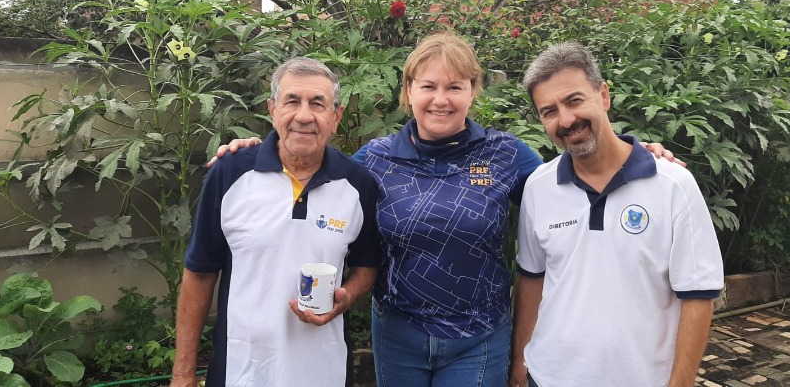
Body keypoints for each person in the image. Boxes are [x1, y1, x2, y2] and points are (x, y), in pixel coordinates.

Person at [210, 33, 683, 387]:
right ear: (408, 91)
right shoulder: (374, 160)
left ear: (473, 92)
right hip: (398, 332)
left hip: (479, 337)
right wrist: (255, 149)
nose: (440, 99)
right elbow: (315, 177)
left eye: (455, 87)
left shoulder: (506, 155)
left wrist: (634, 154)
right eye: (428, 86)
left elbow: (570, 185)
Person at [509, 42, 724, 387]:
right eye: (549, 111)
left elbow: (698, 296)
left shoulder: (673, 185)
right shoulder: (538, 186)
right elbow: (532, 278)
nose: (566, 120)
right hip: (548, 376)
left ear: (604, 95)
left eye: (574, 100)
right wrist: (520, 359)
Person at [170, 57, 380, 387]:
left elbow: (368, 266)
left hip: (323, 370)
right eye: (292, 101)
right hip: (241, 370)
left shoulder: (358, 184)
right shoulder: (231, 173)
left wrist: (346, 296)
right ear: (272, 110)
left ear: (336, 117)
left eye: (317, 104)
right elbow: (199, 273)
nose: (304, 116)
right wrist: (183, 374)